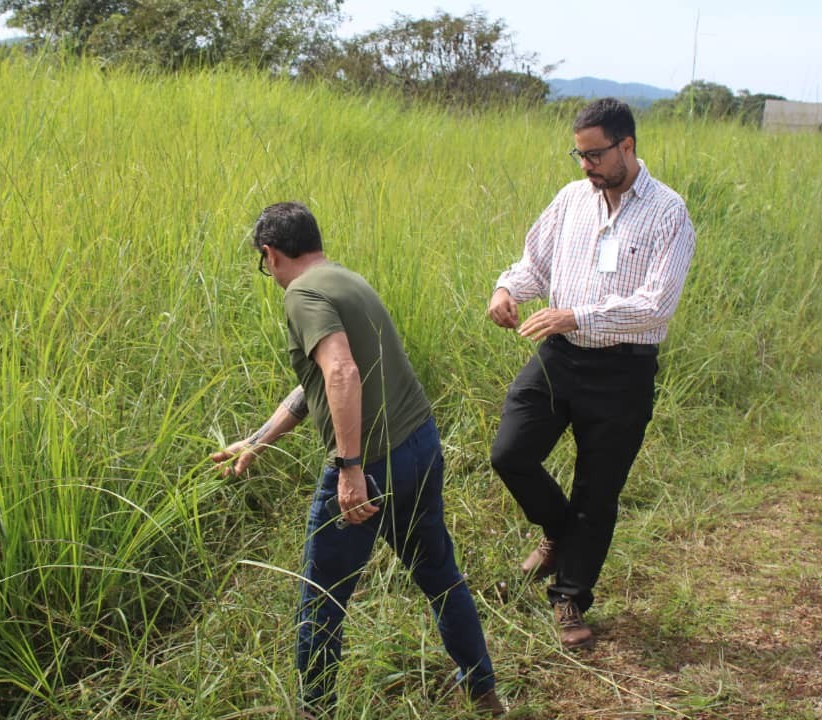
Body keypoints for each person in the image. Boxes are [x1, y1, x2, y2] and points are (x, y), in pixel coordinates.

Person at [212, 202, 504, 717]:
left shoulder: (302, 294)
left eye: (263, 263)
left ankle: (315, 709)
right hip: (419, 444)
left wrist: (349, 468)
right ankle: (483, 690)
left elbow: (342, 373)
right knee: (439, 573)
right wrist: (257, 440)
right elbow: (317, 384)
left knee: (321, 597)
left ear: (270, 254)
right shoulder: (346, 280)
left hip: (369, 466)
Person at [487, 98, 695, 650]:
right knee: (510, 453)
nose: (586, 166)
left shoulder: (669, 213)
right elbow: (534, 265)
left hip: (623, 370)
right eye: (579, 155)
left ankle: (570, 596)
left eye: (595, 155)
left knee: (597, 490)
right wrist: (506, 290)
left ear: (627, 145)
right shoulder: (571, 199)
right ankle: (560, 534)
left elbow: (656, 304)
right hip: (560, 356)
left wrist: (577, 314)